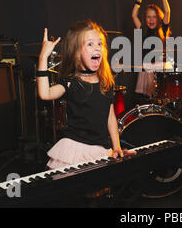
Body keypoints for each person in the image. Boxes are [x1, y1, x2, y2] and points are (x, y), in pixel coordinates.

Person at [36, 20, 136, 169]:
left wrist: (117, 147)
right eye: (90, 44)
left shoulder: (106, 83)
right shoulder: (71, 82)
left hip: (100, 150)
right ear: (76, 53)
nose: (97, 48)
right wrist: (43, 58)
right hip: (75, 150)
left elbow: (110, 117)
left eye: (99, 44)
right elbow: (45, 94)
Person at [131, 0, 171, 104]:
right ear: (145, 19)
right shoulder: (142, 29)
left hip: (160, 68)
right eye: (149, 17)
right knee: (146, 100)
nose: (151, 19)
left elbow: (167, 11)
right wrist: (138, 2)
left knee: (160, 99)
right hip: (146, 68)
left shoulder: (163, 29)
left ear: (158, 18)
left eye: (154, 17)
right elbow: (133, 15)